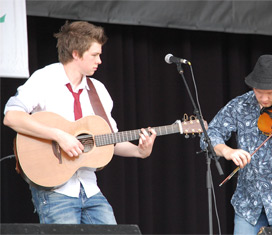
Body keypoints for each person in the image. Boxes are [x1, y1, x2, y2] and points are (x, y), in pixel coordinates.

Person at [3, 21, 157, 224]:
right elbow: (11, 116)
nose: (100, 61)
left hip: (90, 189)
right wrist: (59, 136)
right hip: (55, 190)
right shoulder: (44, 79)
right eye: (94, 55)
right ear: (75, 54)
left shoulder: (98, 90)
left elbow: (110, 139)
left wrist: (140, 152)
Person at [200, 55, 272, 234]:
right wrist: (227, 151)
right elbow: (209, 135)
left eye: (270, 93)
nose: (263, 98)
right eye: (258, 91)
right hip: (249, 204)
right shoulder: (240, 105)